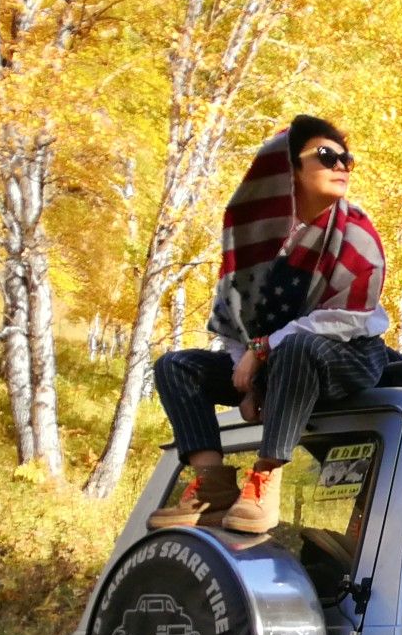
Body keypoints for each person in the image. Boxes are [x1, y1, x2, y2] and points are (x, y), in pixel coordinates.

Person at [149, 115, 389, 533]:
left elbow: (345, 318)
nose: (342, 167)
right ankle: (212, 487)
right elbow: (233, 318)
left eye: (347, 159)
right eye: (327, 156)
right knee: (176, 367)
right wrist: (250, 378)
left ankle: (265, 478)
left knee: (299, 348)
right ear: (287, 169)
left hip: (346, 355)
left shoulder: (356, 232)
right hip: (275, 364)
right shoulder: (250, 236)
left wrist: (260, 356)